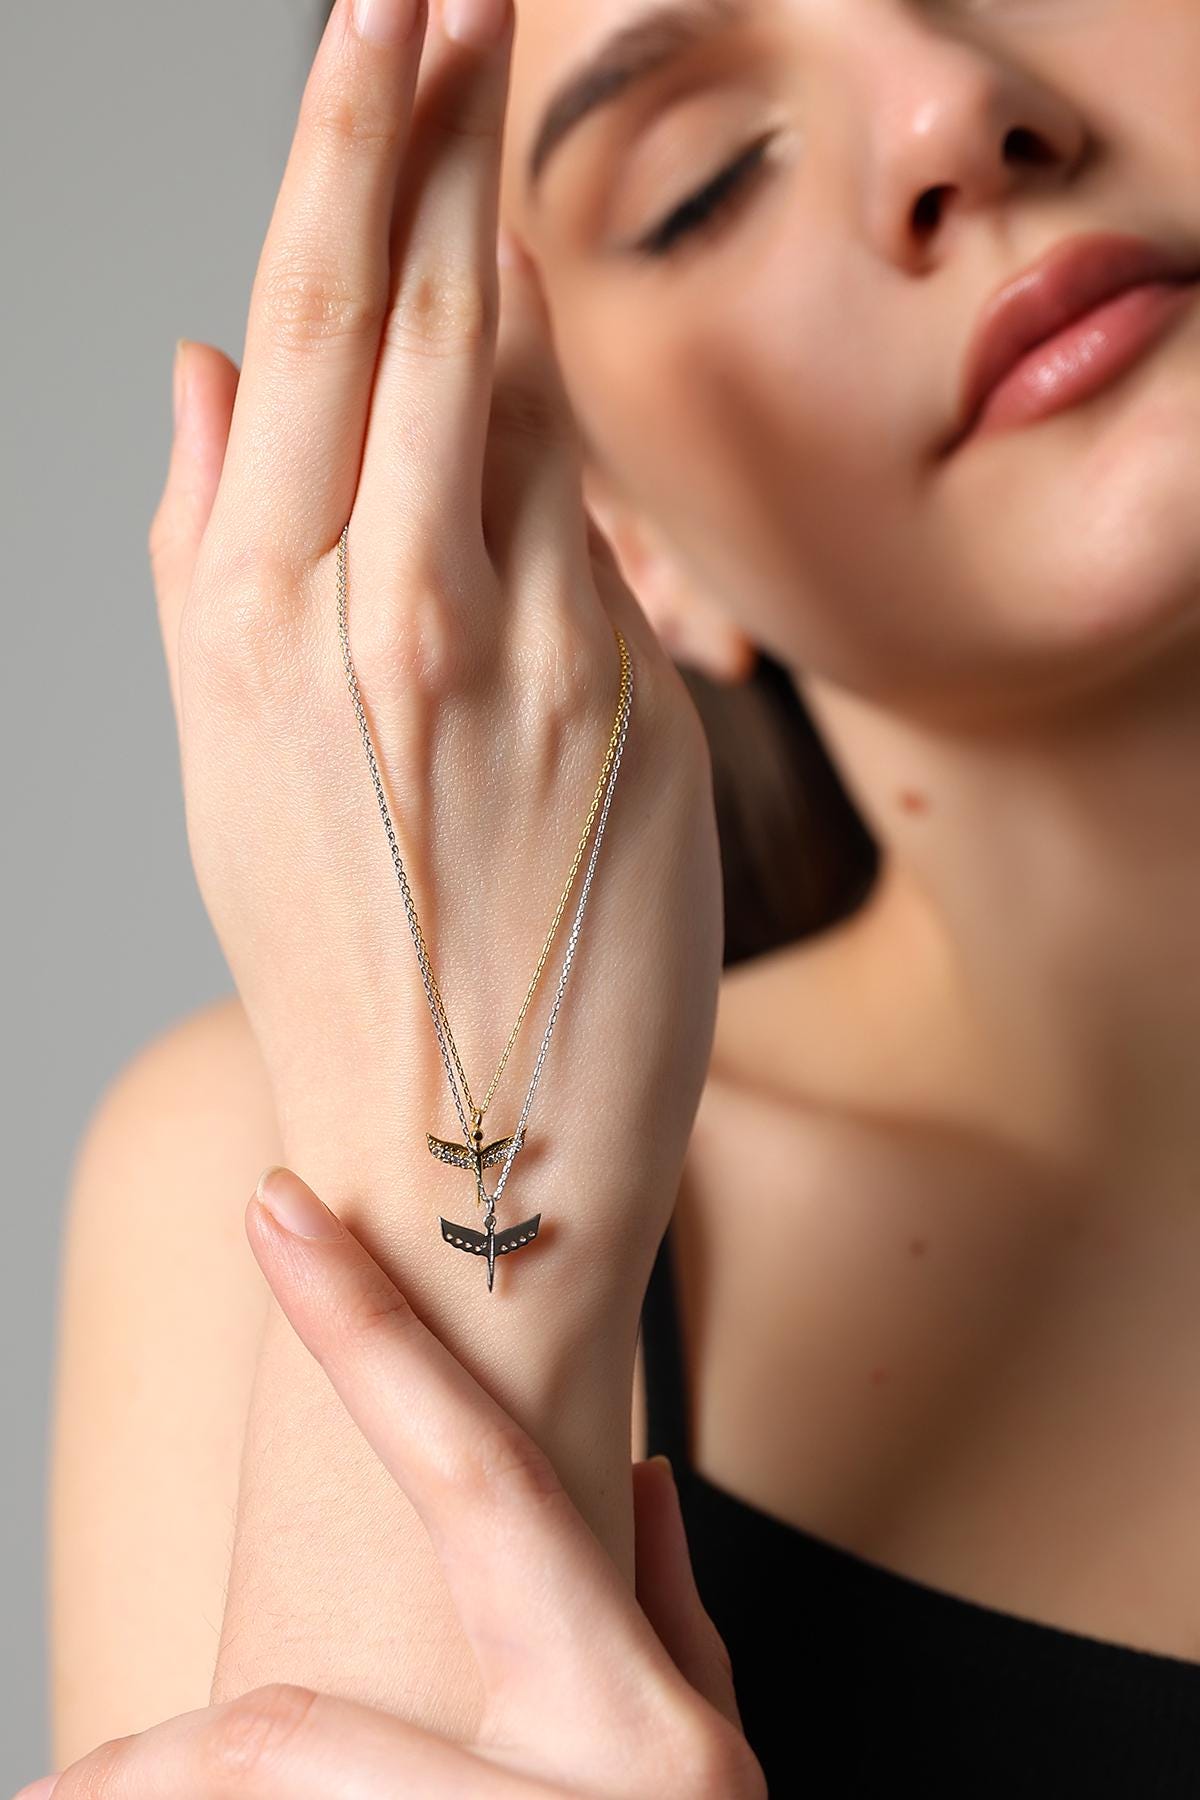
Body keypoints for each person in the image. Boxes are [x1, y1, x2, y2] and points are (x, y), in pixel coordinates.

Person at [35, 0, 1200, 1793]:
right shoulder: (272, 1184)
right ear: (619, 538)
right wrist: (441, 1136)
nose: (951, 114)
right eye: (705, 181)